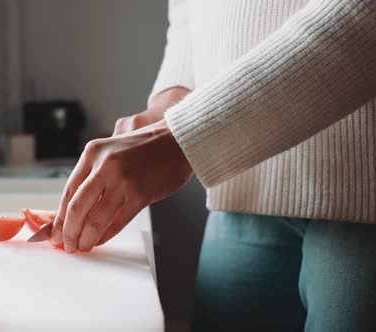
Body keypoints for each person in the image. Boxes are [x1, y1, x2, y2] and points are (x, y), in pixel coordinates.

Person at [49, 0, 376, 331]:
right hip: (239, 193)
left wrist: (182, 135)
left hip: (362, 201)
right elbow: (190, 18)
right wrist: (163, 111)